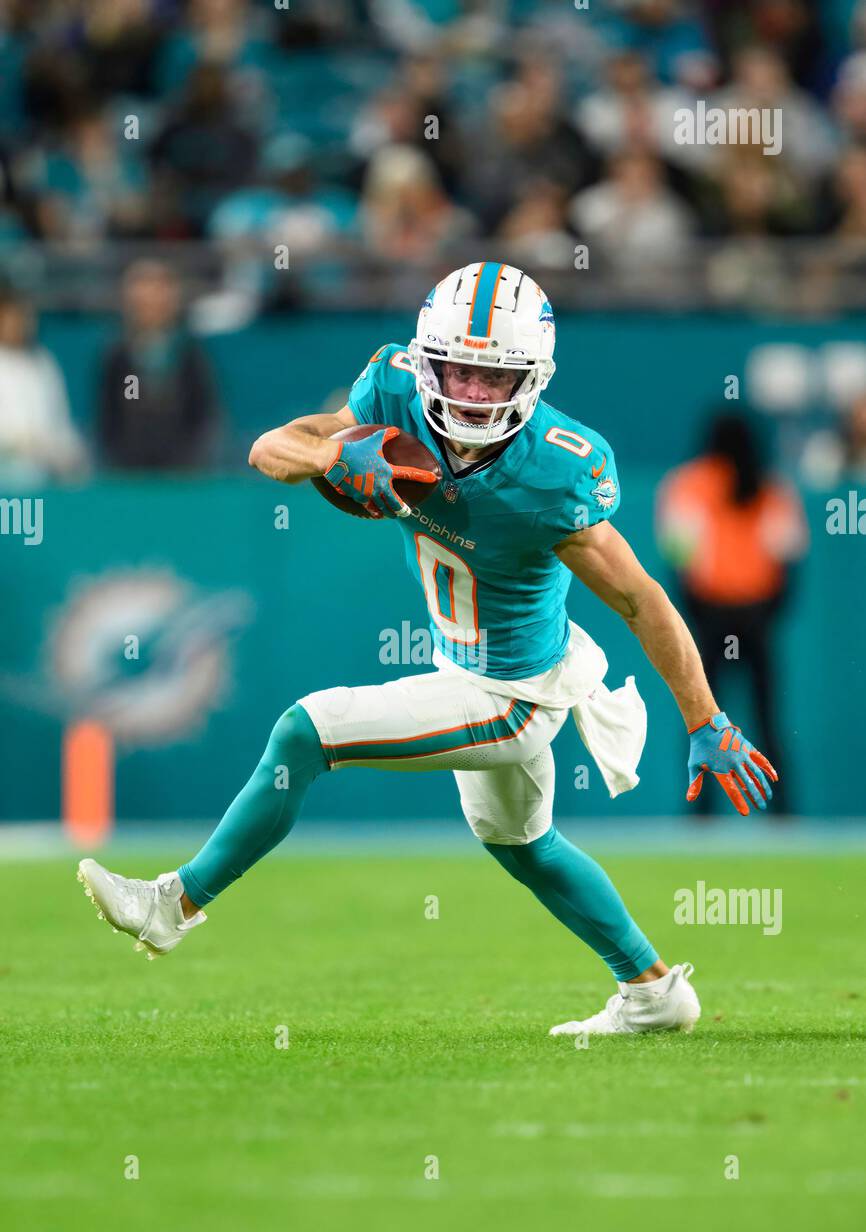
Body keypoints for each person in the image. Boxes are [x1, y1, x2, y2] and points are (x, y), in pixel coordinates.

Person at [78, 262, 778, 1038]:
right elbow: (272, 447)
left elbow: (641, 598)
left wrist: (706, 719)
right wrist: (332, 456)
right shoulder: (392, 390)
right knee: (527, 846)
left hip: (517, 692)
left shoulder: (556, 470)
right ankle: (652, 991)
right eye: (457, 369)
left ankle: (172, 905)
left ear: (532, 379)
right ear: (426, 359)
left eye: (493, 376)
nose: (472, 391)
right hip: (467, 662)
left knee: (304, 732)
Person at [656, 414, 807, 814]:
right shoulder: (772, 486)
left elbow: (678, 557)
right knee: (768, 717)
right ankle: (783, 811)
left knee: (702, 717)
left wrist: (698, 614)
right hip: (757, 618)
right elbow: (789, 559)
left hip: (710, 617)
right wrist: (766, 614)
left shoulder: (687, 484)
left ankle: (701, 812)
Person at [97, 259, 220, 473]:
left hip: (183, 476)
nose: (152, 303)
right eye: (143, 297)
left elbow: (203, 419)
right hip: (128, 476)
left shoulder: (191, 355)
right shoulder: (117, 358)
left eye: (159, 293)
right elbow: (109, 422)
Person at [0, 289, 86, 486]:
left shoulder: (43, 363)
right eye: (9, 317)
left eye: (23, 317)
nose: (17, 324)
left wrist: (67, 453)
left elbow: (61, 422)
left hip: (45, 480)